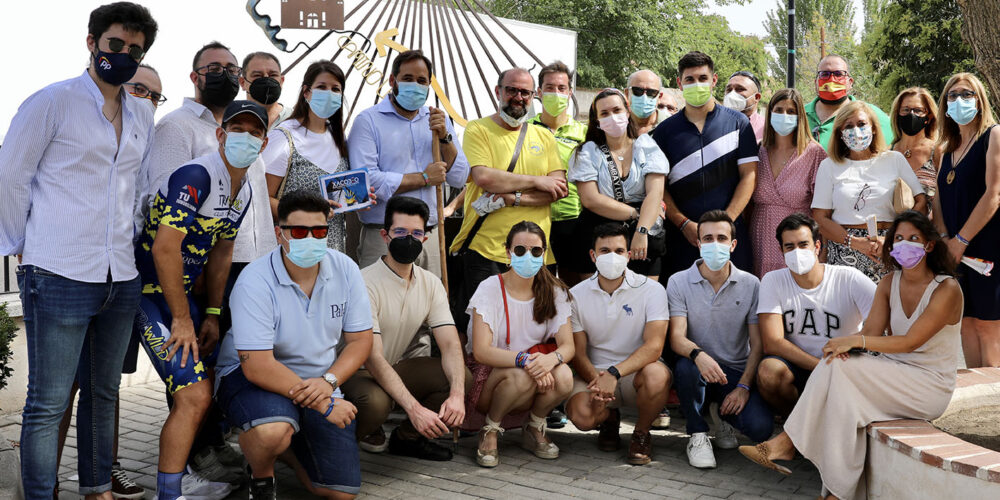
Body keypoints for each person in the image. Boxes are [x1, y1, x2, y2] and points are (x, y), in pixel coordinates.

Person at [0, 3, 157, 498]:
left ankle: (96, 490)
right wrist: (24, 246)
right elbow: (10, 178)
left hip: (120, 275)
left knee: (104, 394)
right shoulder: (52, 102)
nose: (125, 54)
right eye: (116, 44)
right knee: (47, 402)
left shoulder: (143, 113)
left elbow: (137, 188)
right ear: (92, 43)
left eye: (136, 49)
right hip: (58, 272)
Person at [741, 210, 963, 500]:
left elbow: (909, 342)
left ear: (929, 245)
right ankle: (837, 493)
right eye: (898, 238)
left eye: (913, 238)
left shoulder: (946, 288)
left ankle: (788, 442)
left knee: (840, 373)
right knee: (844, 398)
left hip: (929, 385)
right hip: (893, 374)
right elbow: (870, 334)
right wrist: (848, 348)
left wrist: (852, 340)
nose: (905, 244)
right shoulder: (889, 283)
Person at [133, 101, 268, 500]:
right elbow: (164, 249)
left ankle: (175, 484)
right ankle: (169, 493)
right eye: (237, 128)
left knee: (197, 395)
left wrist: (211, 313)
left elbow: (222, 251)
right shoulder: (197, 174)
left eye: (255, 131)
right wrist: (182, 319)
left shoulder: (243, 189)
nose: (246, 137)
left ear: (263, 141)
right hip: (147, 295)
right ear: (221, 134)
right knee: (194, 396)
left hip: (186, 300)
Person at [51, 61, 165, 500]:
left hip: (127, 278)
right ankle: (44, 476)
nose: (148, 101)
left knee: (106, 384)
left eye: (156, 96)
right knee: (64, 388)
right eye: (141, 89)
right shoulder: (80, 124)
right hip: (76, 277)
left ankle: (105, 470)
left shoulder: (147, 139)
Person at [215, 190, 374, 500]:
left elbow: (360, 341)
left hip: (319, 380)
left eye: (319, 231)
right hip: (254, 377)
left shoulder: (346, 269)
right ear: (279, 233)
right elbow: (258, 366)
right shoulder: (254, 280)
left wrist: (329, 383)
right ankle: (262, 476)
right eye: (299, 231)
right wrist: (324, 403)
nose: (311, 239)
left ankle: (285, 446)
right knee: (272, 431)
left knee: (338, 492)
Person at [343, 196, 470, 461]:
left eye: (416, 233)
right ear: (385, 235)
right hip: (356, 373)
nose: (408, 239)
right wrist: (414, 408)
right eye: (400, 232)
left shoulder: (431, 283)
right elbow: (373, 357)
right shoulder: (363, 282)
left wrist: (457, 396)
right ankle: (337, 448)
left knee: (460, 377)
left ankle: (408, 439)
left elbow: (449, 344)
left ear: (425, 239)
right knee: (375, 403)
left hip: (396, 366)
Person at [449, 68, 566, 335]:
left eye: (525, 92)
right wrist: (537, 180)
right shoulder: (478, 129)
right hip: (486, 250)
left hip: (535, 253)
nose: (518, 97)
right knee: (480, 331)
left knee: (530, 329)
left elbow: (557, 190)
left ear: (533, 96)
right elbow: (484, 177)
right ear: (498, 91)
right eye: (511, 90)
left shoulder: (543, 136)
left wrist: (512, 198)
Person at [666, 210, 773, 469]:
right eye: (708, 238)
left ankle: (721, 415)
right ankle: (698, 433)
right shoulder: (678, 282)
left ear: (733, 245)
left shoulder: (751, 284)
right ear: (698, 243)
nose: (715, 244)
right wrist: (698, 355)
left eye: (722, 238)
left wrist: (744, 387)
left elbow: (757, 344)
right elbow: (677, 338)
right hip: (697, 368)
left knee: (761, 428)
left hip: (735, 372)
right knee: (685, 367)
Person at [349, 50, 470, 277]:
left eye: (422, 81)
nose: (415, 85)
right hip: (383, 236)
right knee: (379, 307)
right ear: (392, 81)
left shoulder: (436, 120)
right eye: (407, 79)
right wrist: (423, 178)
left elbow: (459, 177)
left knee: (429, 307)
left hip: (430, 235)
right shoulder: (368, 121)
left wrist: (445, 138)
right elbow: (365, 181)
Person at [465, 222, 574, 468]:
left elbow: (568, 347)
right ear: (507, 252)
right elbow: (481, 351)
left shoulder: (554, 290)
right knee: (521, 376)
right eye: (520, 250)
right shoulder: (490, 287)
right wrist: (527, 361)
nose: (529, 256)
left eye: (536, 251)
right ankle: (490, 428)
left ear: (544, 254)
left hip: (533, 371)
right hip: (491, 380)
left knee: (565, 376)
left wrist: (549, 361)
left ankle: (533, 426)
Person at [565, 223, 671, 465]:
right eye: (604, 251)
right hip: (594, 376)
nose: (612, 257)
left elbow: (654, 346)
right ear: (593, 256)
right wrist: (599, 382)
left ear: (629, 255)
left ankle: (641, 433)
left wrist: (614, 373)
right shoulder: (575, 295)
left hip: (635, 374)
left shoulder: (652, 290)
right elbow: (578, 352)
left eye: (619, 251)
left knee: (657, 376)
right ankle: (608, 420)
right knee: (581, 418)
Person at [755, 214, 876, 416]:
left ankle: (800, 435)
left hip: (842, 363)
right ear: (781, 251)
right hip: (798, 366)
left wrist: (852, 345)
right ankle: (794, 422)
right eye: (789, 247)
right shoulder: (773, 280)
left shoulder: (848, 278)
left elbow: (881, 323)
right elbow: (772, 342)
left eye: (803, 244)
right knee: (768, 372)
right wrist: (821, 367)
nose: (797, 252)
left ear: (817, 247)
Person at [653, 51, 758, 280]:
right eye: (690, 79)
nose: (697, 84)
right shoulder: (663, 132)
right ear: (679, 83)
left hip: (730, 237)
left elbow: (749, 177)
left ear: (714, 80)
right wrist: (683, 224)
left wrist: (724, 224)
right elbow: (658, 188)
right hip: (682, 237)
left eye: (702, 78)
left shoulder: (739, 123)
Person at [811, 101, 926, 282]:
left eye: (861, 124)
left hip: (889, 249)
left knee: (890, 307)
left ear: (873, 128)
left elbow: (921, 201)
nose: (856, 131)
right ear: (840, 133)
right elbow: (820, 217)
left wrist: (894, 239)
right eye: (848, 126)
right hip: (845, 251)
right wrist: (855, 243)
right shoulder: (829, 166)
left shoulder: (894, 159)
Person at [932, 72, 1000, 368]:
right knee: (966, 323)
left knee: (988, 324)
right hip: (954, 251)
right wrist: (946, 239)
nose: (960, 100)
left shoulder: (994, 135)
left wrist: (961, 241)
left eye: (967, 94)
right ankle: (977, 403)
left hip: (987, 248)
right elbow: (937, 198)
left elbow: (994, 195)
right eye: (953, 95)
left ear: (980, 99)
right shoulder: (945, 148)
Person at [569, 88, 668, 279]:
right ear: (596, 120)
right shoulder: (587, 152)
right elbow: (591, 199)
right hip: (597, 233)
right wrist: (635, 214)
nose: (612, 117)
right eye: (604, 113)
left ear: (627, 111)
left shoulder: (646, 146)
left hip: (642, 234)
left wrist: (641, 230)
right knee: (597, 302)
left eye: (616, 110)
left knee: (644, 299)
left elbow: (655, 194)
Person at [263, 60, 351, 252]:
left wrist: (357, 197)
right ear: (306, 92)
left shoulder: (338, 137)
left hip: (334, 249)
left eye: (336, 89)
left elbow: (339, 196)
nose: (329, 93)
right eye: (321, 87)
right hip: (295, 247)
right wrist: (308, 213)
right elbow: (262, 197)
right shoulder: (283, 137)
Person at [146, 41, 241, 197]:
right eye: (215, 69)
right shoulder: (175, 125)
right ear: (195, 78)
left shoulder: (241, 129)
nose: (225, 75)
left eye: (232, 70)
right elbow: (164, 199)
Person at [750, 88, 827, 277]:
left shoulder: (814, 153)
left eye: (791, 111)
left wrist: (821, 250)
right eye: (779, 110)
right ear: (769, 114)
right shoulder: (758, 151)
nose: (784, 115)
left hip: (797, 241)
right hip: (760, 239)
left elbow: (822, 210)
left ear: (800, 116)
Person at [529, 61, 588, 288]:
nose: (556, 93)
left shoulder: (584, 133)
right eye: (550, 88)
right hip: (535, 217)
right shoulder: (526, 129)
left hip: (573, 220)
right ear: (539, 92)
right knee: (538, 287)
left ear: (570, 92)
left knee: (574, 288)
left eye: (562, 88)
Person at [806, 54, 894, 151]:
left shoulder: (870, 113)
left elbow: (895, 144)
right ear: (816, 82)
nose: (832, 79)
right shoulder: (797, 113)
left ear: (850, 82)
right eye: (824, 74)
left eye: (838, 74)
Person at [890, 87, 940, 205]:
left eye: (918, 110)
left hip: (928, 223)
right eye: (905, 110)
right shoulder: (887, 153)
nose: (911, 114)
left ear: (929, 116)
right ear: (897, 114)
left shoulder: (938, 152)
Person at [239, 51, 292, 128]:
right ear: (242, 82)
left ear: (282, 81)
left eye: (273, 75)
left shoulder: (298, 120)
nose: (266, 78)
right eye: (257, 75)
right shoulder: (230, 120)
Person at [723, 71, 765, 143]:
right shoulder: (714, 124)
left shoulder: (767, 128)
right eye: (729, 90)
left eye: (740, 89)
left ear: (757, 97)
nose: (732, 94)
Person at [625, 69, 662, 136]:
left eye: (651, 92)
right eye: (637, 91)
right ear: (627, 93)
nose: (644, 97)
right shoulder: (616, 125)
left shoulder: (672, 125)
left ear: (659, 97)